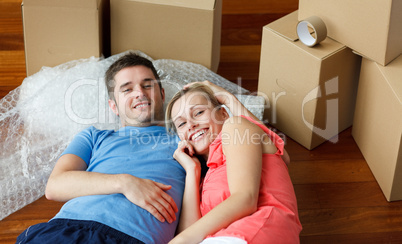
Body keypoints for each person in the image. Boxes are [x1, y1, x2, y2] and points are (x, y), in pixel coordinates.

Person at [16, 53, 186, 244]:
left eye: (147, 85)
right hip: (67, 229)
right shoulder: (94, 136)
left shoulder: (185, 139)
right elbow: (55, 186)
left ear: (162, 95)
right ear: (113, 106)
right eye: (127, 89)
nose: (140, 92)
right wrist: (125, 183)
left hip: (134, 238)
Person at [165, 83, 302, 244]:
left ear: (223, 114)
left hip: (258, 230)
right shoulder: (207, 179)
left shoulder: (236, 127)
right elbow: (191, 231)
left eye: (199, 112)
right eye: (181, 124)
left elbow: (246, 199)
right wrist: (191, 170)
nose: (191, 124)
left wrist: (229, 99)